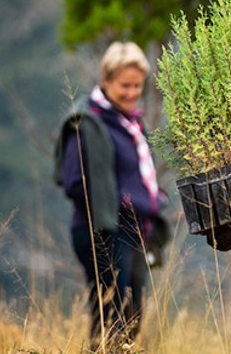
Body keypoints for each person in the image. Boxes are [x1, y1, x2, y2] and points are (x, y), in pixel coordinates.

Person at [54, 41, 170, 349]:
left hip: (135, 232)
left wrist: (151, 200)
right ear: (105, 81)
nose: (132, 93)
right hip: (103, 233)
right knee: (110, 320)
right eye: (124, 86)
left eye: (137, 86)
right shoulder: (87, 122)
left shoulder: (131, 123)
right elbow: (73, 183)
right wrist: (123, 203)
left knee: (131, 320)